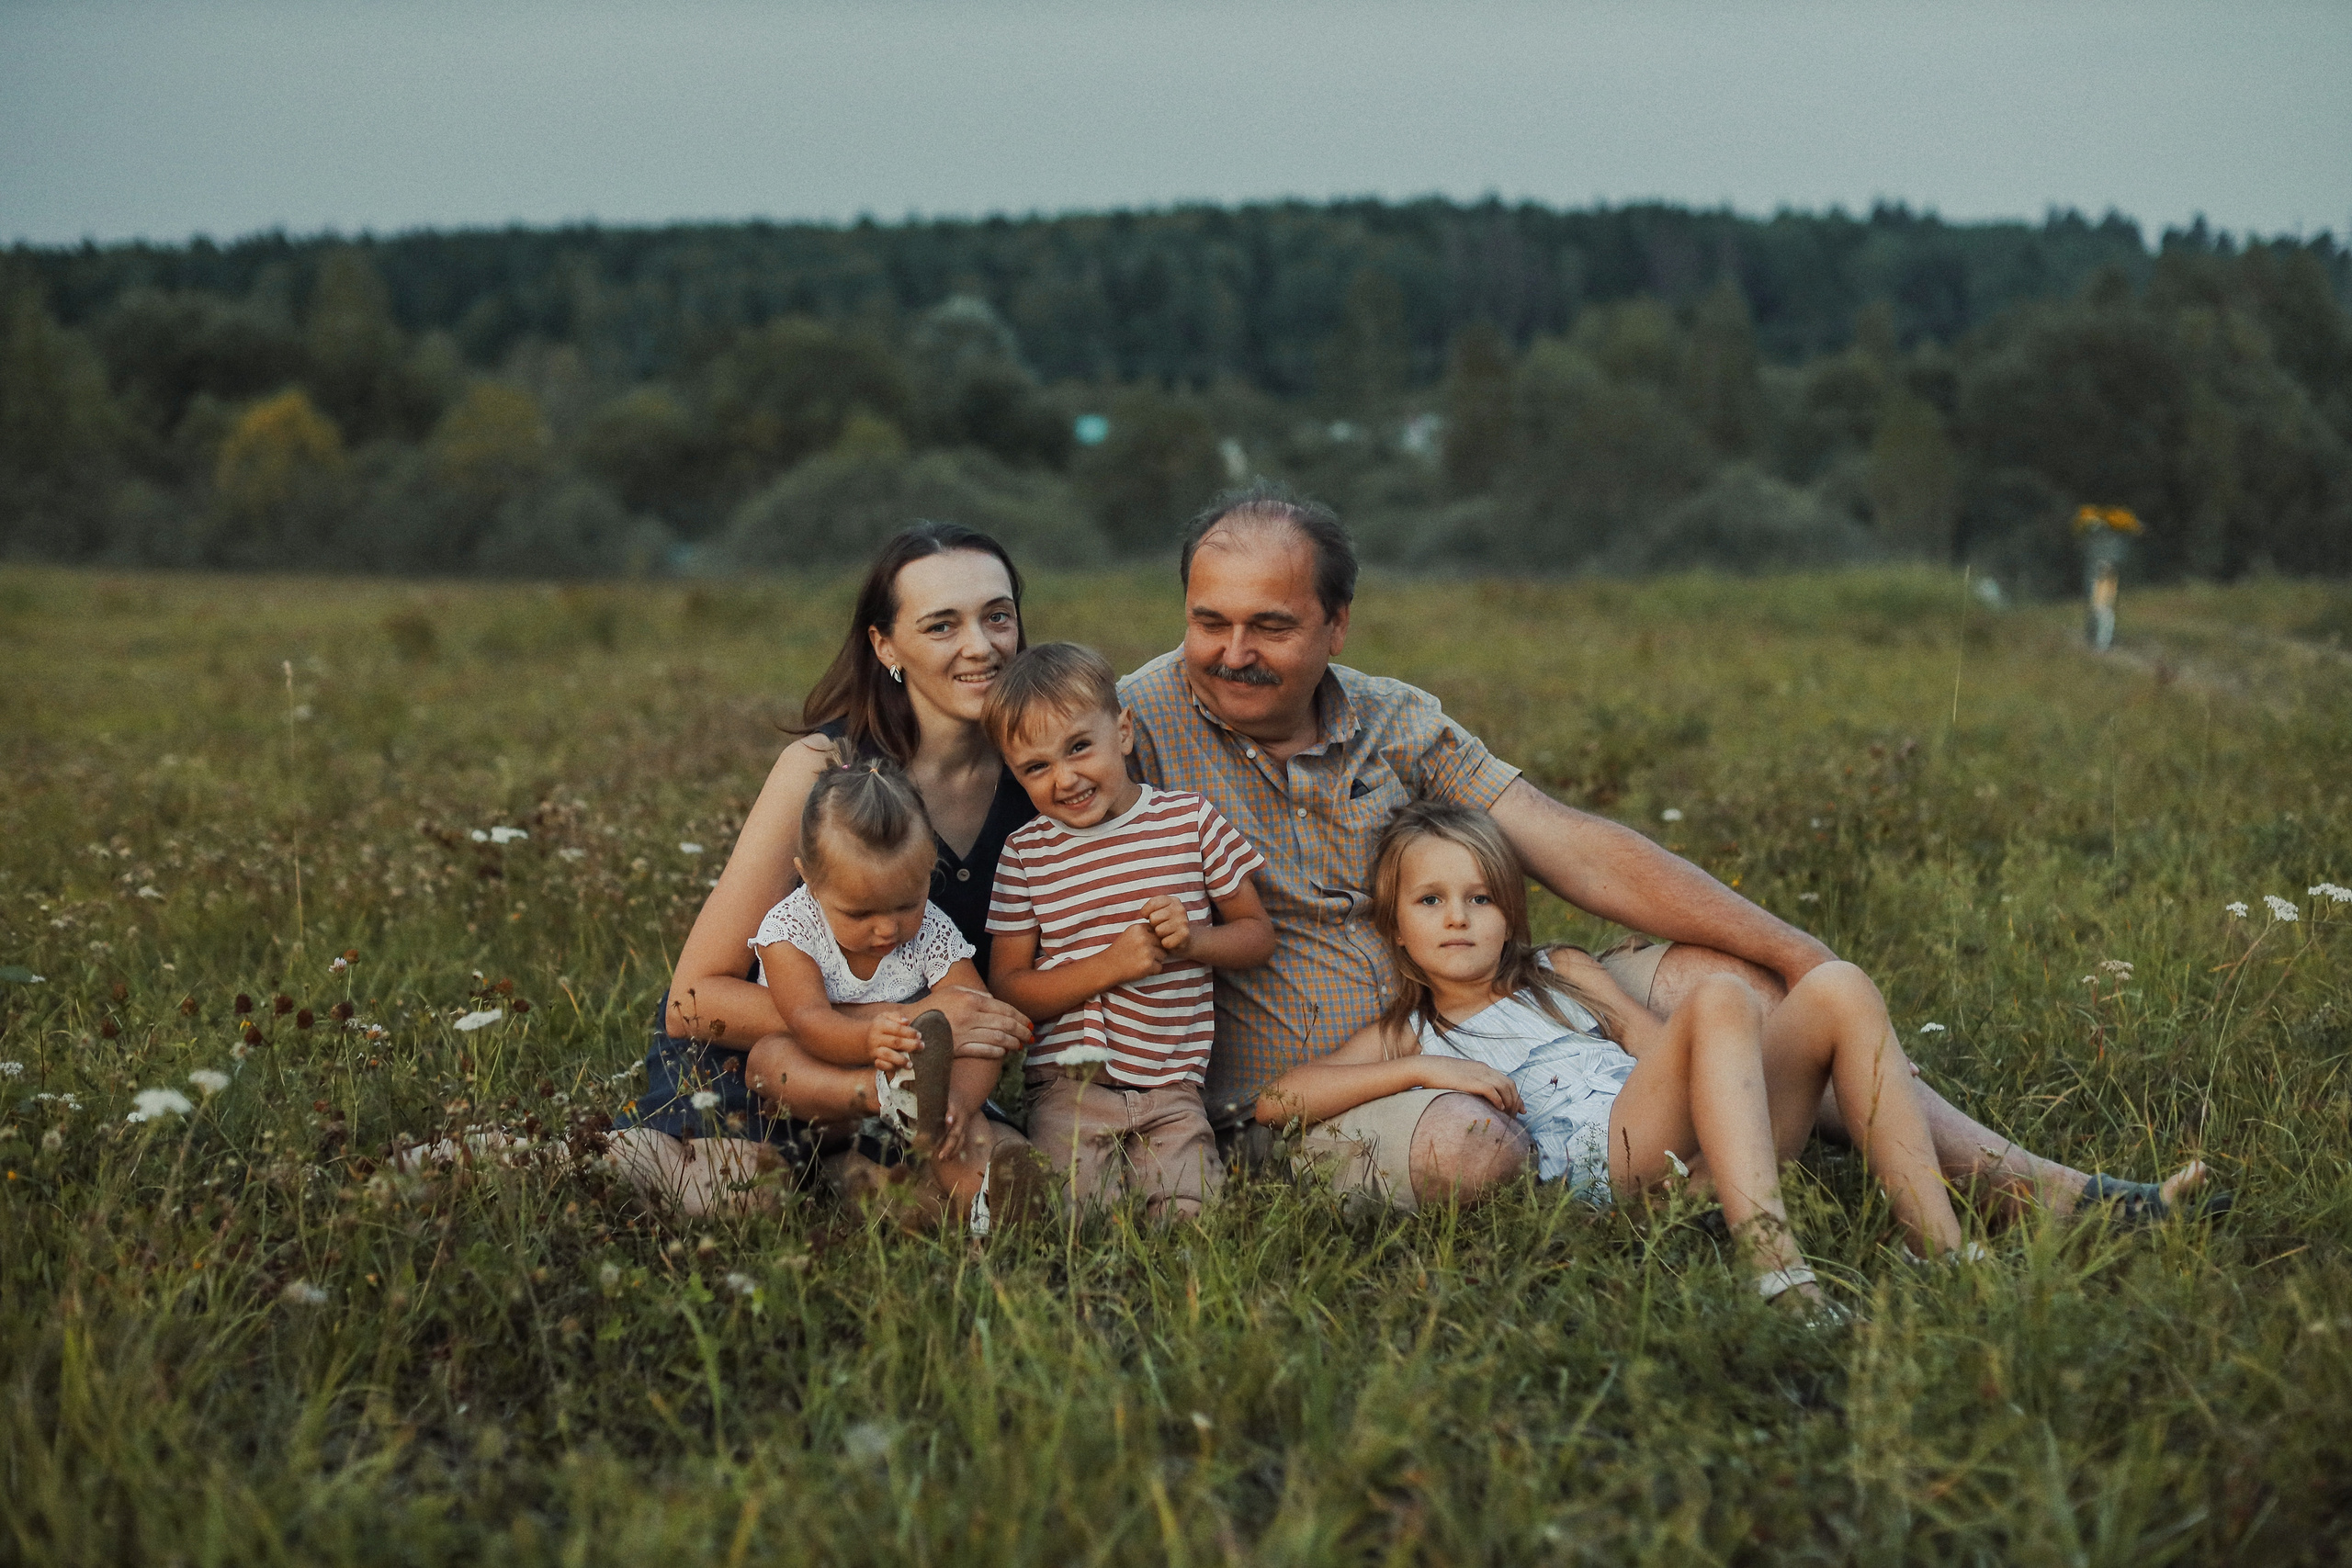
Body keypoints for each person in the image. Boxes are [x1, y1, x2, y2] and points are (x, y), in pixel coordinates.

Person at [1121, 481, 2216, 1221]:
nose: (1232, 652)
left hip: (1491, 1000)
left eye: (1268, 625)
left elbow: (1566, 842)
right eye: (1209, 622)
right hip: (1329, 1089)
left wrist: (1791, 949)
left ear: (1335, 625)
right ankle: (1688, 1185)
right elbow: (1009, 822)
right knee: (1467, 1150)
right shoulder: (1135, 727)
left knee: (1733, 981)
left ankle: (2044, 1196)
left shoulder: (1392, 715)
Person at [1264, 803, 1970, 1316]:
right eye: (1431, 900)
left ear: (1510, 912)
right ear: (1395, 926)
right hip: (1612, 1178)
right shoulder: (1413, 1030)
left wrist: (1795, 1061)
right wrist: (1425, 1070)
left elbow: (1660, 1048)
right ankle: (1775, 1267)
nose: (1458, 917)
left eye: (1481, 897)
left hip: (1696, 1158)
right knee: (1722, 996)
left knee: (1840, 985)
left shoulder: (1561, 970)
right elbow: (1279, 1099)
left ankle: (1937, 1250)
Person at [605, 523, 1043, 1215]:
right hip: (764, 1053)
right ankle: (611, 1153)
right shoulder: (825, 769)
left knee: (978, 1186)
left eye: (998, 616)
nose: (980, 645)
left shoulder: (1046, 772)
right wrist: (913, 1018)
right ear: (885, 645)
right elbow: (695, 1000)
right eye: (941, 625)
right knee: (746, 1199)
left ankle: (854, 1171)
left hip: (918, 1079)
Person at [982, 643, 1274, 1220]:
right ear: (1013, 773)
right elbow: (1010, 988)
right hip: (1069, 1089)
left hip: (1173, 1089)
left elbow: (1257, 935)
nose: (1065, 778)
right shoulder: (1025, 855)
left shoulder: (1188, 822)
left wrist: (1193, 941)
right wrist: (1110, 967)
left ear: (1123, 731)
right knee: (1075, 1216)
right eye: (1036, 767)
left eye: (1079, 748)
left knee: (1192, 1215)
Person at [748, 752, 1012, 1221]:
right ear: (808, 877)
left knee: (968, 1121)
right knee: (768, 1058)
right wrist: (867, 1043)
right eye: (861, 914)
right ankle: (888, 1099)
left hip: (925, 1101)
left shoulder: (932, 930)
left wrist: (960, 1103)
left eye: (906, 904)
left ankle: (982, 1213)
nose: (887, 929)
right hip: (830, 1096)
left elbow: (980, 1024)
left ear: (930, 865)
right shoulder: (791, 929)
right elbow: (807, 1020)